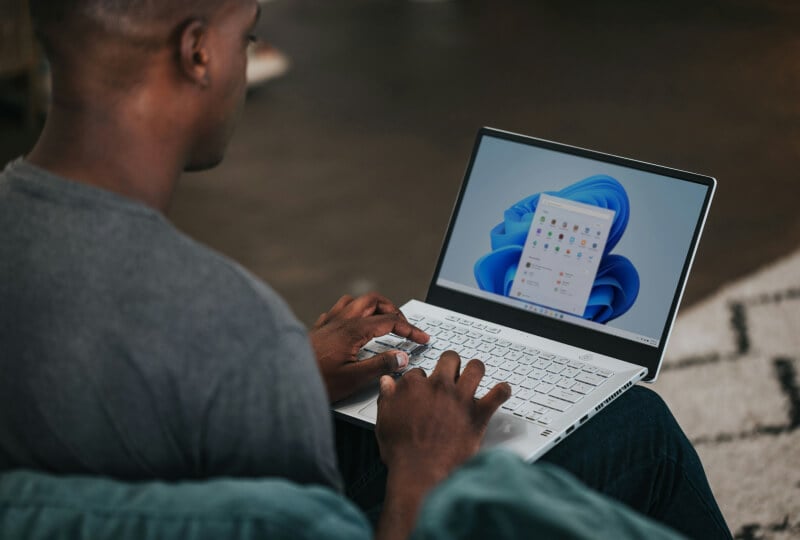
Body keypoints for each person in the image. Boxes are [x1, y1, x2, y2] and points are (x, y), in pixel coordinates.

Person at [0, 0, 731, 539]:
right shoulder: (225, 321)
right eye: (246, 37)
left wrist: (297, 370)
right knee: (638, 427)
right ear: (197, 52)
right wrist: (424, 467)